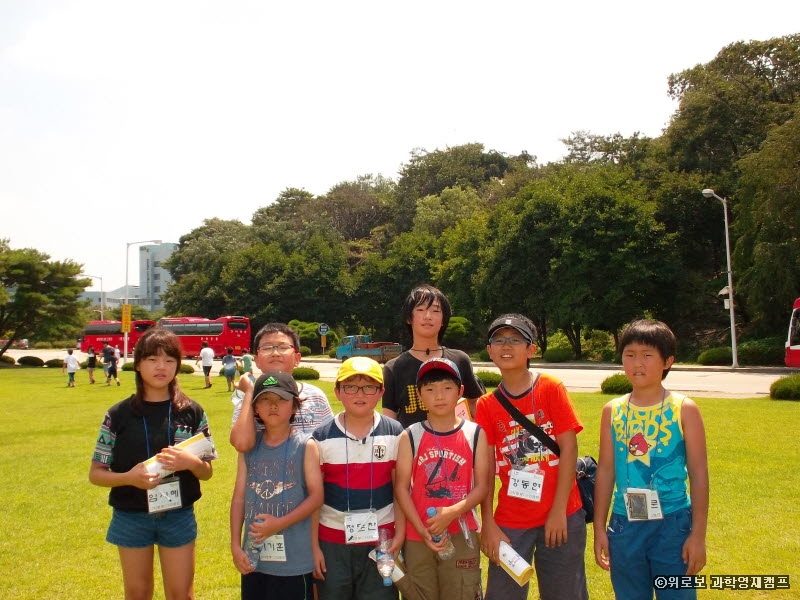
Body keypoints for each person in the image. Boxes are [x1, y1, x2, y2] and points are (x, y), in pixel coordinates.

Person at [88, 326, 217, 600]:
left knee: (182, 594)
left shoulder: (192, 412)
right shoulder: (118, 415)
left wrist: (190, 462)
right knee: (137, 593)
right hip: (131, 515)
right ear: (138, 364)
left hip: (178, 514)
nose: (161, 367)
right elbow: (96, 474)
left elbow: (206, 472)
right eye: (152, 359)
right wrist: (129, 478)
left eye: (169, 360)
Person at [475, 313, 588, 600]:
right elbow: (485, 469)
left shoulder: (551, 388)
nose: (506, 346)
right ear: (489, 351)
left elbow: (569, 449)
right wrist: (488, 524)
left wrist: (558, 512)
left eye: (515, 340)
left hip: (562, 513)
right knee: (502, 594)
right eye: (498, 340)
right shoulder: (487, 405)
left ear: (531, 350)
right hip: (511, 520)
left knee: (564, 594)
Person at [593, 319, 708, 599]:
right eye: (629, 354)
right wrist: (599, 529)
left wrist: (697, 536)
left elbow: (698, 474)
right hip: (625, 524)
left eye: (647, 355)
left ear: (667, 361)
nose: (637, 363)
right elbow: (606, 471)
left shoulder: (684, 409)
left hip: (673, 524)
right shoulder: (613, 410)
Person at [394, 357, 491, 600]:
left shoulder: (475, 433)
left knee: (461, 591)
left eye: (447, 388)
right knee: (420, 593)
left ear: (460, 391)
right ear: (419, 395)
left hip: (462, 532)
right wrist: (420, 529)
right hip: (418, 534)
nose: (439, 396)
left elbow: (482, 486)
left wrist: (452, 512)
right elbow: (401, 488)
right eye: (430, 390)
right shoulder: (410, 435)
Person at [311, 357, 405, 600]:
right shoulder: (321, 437)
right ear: (337, 392)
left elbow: (401, 490)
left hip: (382, 540)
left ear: (381, 392)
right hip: (332, 540)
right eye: (350, 386)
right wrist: (314, 547)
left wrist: (400, 534)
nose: (360, 394)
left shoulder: (395, 433)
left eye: (369, 387)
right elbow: (313, 499)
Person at [230, 370, 324, 599]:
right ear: (255, 408)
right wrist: (235, 544)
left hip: (295, 561)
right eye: (265, 399)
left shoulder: (306, 445)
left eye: (281, 399)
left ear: (294, 407)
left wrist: (279, 524)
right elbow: (239, 498)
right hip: (255, 559)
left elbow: (316, 497)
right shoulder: (249, 448)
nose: (273, 405)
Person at [383, 284, 485, 427]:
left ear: (443, 319)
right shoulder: (394, 368)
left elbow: (476, 406)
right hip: (411, 441)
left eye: (435, 310)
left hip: (455, 440)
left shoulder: (460, 360)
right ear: (408, 318)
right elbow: (389, 420)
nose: (428, 316)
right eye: (420, 309)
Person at [230, 323, 333, 451]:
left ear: (297, 358)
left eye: (283, 347)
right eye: (267, 348)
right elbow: (242, 444)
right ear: (256, 361)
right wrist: (250, 392)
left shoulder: (315, 397)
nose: (275, 353)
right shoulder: (247, 401)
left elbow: (331, 442)